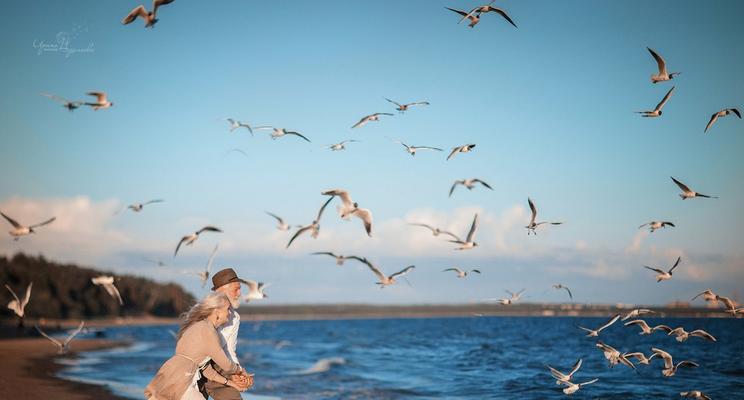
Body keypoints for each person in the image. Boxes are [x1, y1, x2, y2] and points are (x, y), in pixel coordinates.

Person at [144, 292, 249, 400]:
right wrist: (240, 371)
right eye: (227, 309)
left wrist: (231, 383)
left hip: (172, 375)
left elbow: (207, 370)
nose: (230, 313)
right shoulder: (208, 331)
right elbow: (226, 364)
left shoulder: (200, 326)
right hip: (182, 377)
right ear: (217, 312)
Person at [199, 268, 254, 400]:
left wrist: (239, 372)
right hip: (194, 366)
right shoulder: (201, 312)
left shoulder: (235, 318)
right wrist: (235, 371)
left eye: (240, 289)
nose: (240, 293)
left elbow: (229, 350)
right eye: (236, 289)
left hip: (219, 366)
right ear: (221, 291)